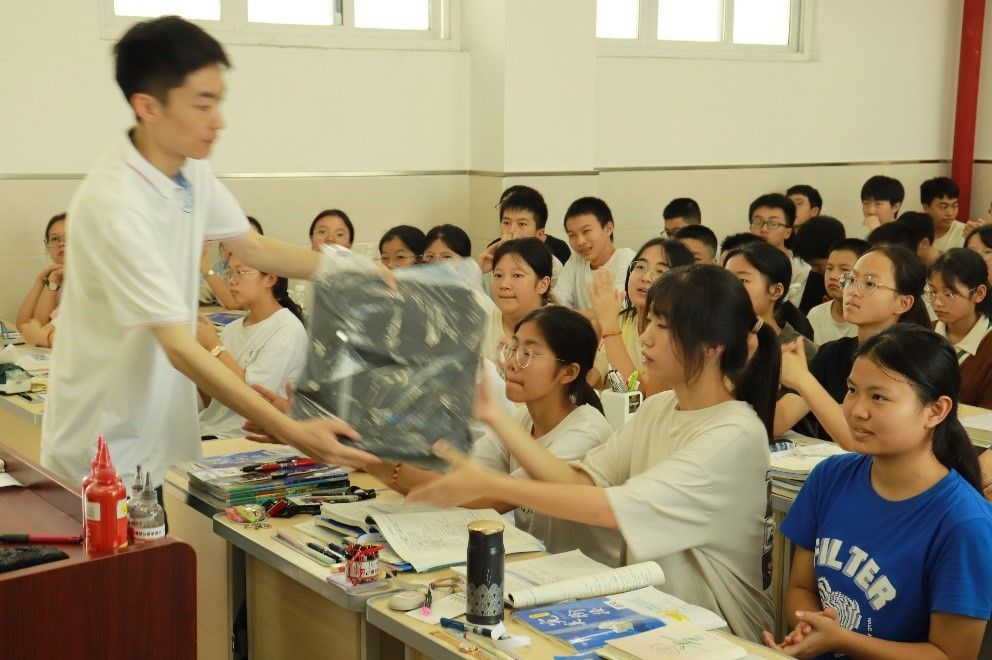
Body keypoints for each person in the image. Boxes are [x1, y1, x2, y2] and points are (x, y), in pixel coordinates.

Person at [41, 16, 379, 494]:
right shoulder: (115, 203)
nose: (218, 120)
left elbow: (253, 247)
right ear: (147, 106)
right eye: (203, 105)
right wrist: (295, 432)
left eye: (219, 101)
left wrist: (357, 271)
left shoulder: (188, 170)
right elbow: (180, 348)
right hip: (100, 450)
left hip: (153, 435)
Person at [409, 264, 782, 642]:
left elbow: (609, 509)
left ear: (713, 346)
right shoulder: (659, 408)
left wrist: (493, 484)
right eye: (649, 321)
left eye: (663, 326)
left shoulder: (734, 434)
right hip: (657, 620)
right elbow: (581, 480)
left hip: (718, 638)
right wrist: (495, 417)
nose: (646, 337)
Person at [764, 325, 992, 659]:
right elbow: (800, 588)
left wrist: (840, 639)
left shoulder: (964, 523)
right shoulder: (829, 477)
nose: (857, 410)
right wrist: (810, 625)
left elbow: (950, 655)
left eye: (879, 397)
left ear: (936, 410)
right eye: (852, 390)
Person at [362, 306, 621, 565]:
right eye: (512, 349)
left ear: (568, 372)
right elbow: (459, 478)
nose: (512, 363)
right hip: (535, 562)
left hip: (587, 574)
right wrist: (378, 461)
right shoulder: (522, 420)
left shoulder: (586, 431)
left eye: (528, 354)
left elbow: (490, 498)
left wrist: (382, 466)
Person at [775, 245, 930, 442]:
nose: (852, 291)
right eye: (851, 280)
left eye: (869, 283)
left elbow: (859, 439)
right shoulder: (833, 352)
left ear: (903, 303)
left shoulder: (914, 360)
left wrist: (803, 380)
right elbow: (777, 422)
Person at [196, 255, 308, 439]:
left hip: (244, 435)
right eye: (230, 273)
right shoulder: (232, 329)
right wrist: (199, 356)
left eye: (240, 272)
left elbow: (254, 397)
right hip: (209, 429)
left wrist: (214, 346)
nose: (231, 281)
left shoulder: (286, 329)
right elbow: (213, 403)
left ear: (270, 278)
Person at [587, 238, 693, 394]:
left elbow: (641, 393)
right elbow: (590, 378)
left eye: (660, 271)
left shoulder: (676, 335)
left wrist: (609, 326)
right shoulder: (623, 321)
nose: (646, 277)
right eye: (640, 266)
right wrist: (598, 321)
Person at [723, 241, 816, 356]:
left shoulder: (799, 350)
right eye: (726, 278)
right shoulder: (715, 338)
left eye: (742, 280)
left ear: (776, 291)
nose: (729, 286)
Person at [928, 248, 992, 408]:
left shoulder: (988, 345)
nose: (937, 303)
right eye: (933, 291)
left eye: (949, 294)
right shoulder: (924, 333)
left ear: (979, 293)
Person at [553, 197, 634, 311]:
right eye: (572, 235)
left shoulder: (627, 259)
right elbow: (555, 304)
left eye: (586, 231)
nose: (580, 241)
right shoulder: (576, 259)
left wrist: (568, 315)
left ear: (608, 229)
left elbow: (613, 313)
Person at [479, 187, 563, 296]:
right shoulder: (490, 259)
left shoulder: (552, 266)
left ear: (539, 235)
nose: (512, 230)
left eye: (522, 224)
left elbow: (554, 303)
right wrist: (478, 270)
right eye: (506, 223)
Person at [489, 238, 553, 355]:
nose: (504, 285)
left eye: (517, 275)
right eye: (498, 275)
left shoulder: (558, 332)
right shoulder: (480, 321)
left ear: (543, 284)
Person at [748, 193, 811, 308]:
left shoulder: (801, 269)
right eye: (758, 222)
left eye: (773, 224)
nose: (764, 229)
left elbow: (792, 311)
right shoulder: (740, 262)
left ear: (788, 232)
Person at [17, 213, 66, 347]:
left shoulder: (86, 280)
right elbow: (24, 327)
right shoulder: (56, 276)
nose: (61, 244)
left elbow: (39, 330)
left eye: (69, 237)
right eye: (54, 239)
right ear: (47, 247)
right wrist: (40, 281)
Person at [806, 239, 869, 344]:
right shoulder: (815, 314)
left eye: (844, 269)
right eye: (829, 268)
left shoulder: (870, 321)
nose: (833, 276)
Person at [199, 216, 263, 309]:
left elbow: (235, 304)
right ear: (222, 246)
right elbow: (197, 295)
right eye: (232, 239)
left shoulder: (261, 269)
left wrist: (201, 261)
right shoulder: (220, 268)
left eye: (247, 239)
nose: (240, 245)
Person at [789, 215, 846, 314]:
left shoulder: (856, 278)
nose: (814, 269)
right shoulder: (816, 276)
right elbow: (805, 314)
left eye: (817, 265)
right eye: (811, 265)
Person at [921, 176, 965, 253]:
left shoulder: (964, 233)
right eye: (944, 207)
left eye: (954, 206)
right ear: (925, 207)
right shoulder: (915, 232)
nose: (950, 213)